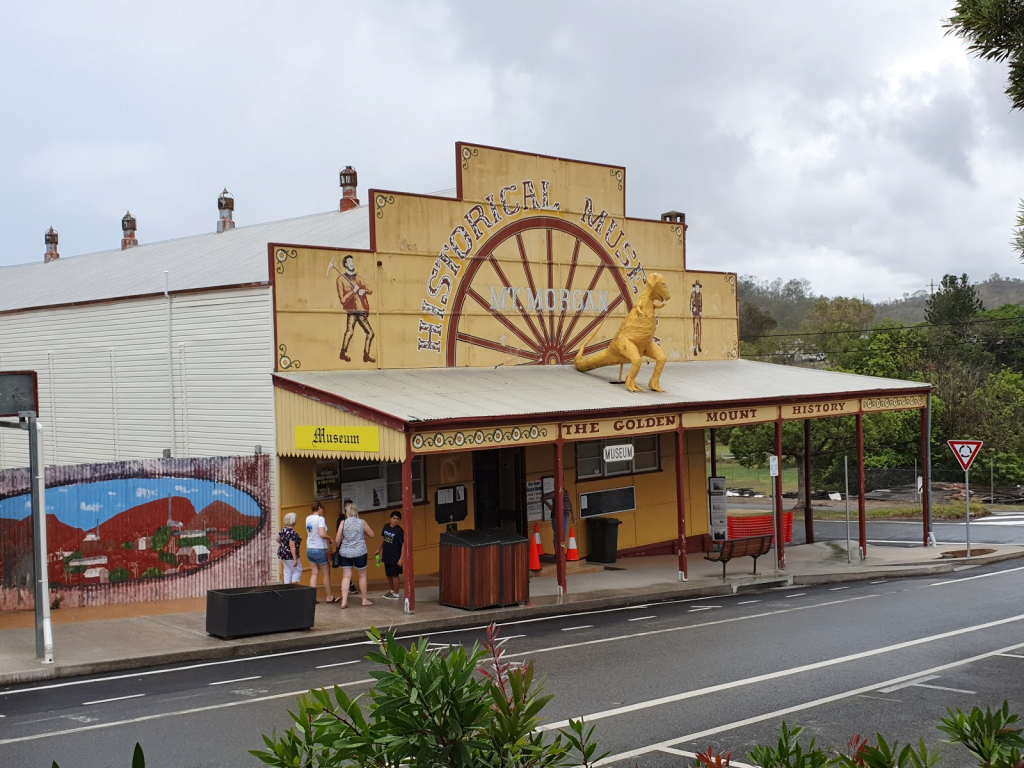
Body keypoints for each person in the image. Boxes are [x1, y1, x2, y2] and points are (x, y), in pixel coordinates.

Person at [335, 500, 375, 607]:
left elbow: (337, 540)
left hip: (345, 553)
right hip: (360, 552)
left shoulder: (343, 523)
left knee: (346, 576)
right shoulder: (362, 522)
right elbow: (372, 534)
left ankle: (344, 601)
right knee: (362, 576)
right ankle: (364, 600)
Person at [336, 254, 376, 363]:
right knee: (350, 332)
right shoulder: (341, 280)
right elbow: (343, 300)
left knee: (370, 333)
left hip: (361, 310)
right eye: (349, 262)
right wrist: (353, 291)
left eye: (352, 261)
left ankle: (366, 355)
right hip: (352, 311)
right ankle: (343, 353)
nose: (352, 263)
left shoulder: (358, 278)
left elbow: (370, 290)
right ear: (345, 264)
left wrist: (364, 291)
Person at [305, 502, 337, 603]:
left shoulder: (308, 518)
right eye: (322, 509)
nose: (322, 511)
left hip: (309, 549)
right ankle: (329, 597)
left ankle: (312, 598)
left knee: (314, 574)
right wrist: (330, 538)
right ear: (319, 508)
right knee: (326, 574)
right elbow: (322, 534)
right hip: (319, 549)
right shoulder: (320, 519)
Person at [377, 511, 405, 599]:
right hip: (387, 554)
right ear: (390, 518)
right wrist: (379, 549)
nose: (395, 521)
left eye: (397, 519)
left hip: (395, 555)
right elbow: (384, 538)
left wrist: (401, 558)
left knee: (395, 574)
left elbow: (403, 545)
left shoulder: (400, 531)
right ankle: (392, 591)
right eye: (394, 518)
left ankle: (396, 594)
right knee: (388, 574)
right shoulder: (386, 527)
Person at [278, 512, 303, 584]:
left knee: (287, 571)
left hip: (283, 554)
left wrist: (284, 545)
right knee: (298, 569)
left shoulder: (283, 530)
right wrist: (295, 559)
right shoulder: (292, 532)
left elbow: (277, 539)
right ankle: (294, 586)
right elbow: (292, 546)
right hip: (290, 555)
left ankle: (287, 588)